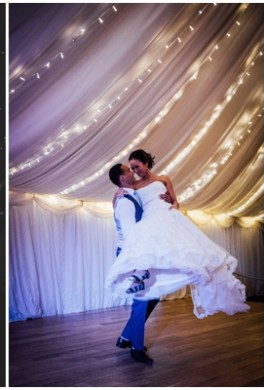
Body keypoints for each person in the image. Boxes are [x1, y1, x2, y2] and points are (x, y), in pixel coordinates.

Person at [105, 149, 249, 320]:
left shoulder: (164, 179)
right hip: (150, 219)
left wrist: (171, 202)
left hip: (167, 215)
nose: (135, 171)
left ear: (145, 163)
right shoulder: (134, 186)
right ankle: (144, 277)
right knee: (157, 252)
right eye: (132, 169)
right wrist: (115, 197)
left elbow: (176, 202)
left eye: (136, 167)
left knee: (185, 251)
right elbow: (123, 196)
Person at [108, 163, 162, 365]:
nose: (133, 172)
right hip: (133, 255)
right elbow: (132, 236)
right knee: (141, 300)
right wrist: (138, 264)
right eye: (128, 170)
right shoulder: (124, 202)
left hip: (140, 252)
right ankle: (136, 349)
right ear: (122, 178)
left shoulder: (131, 196)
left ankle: (125, 338)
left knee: (154, 296)